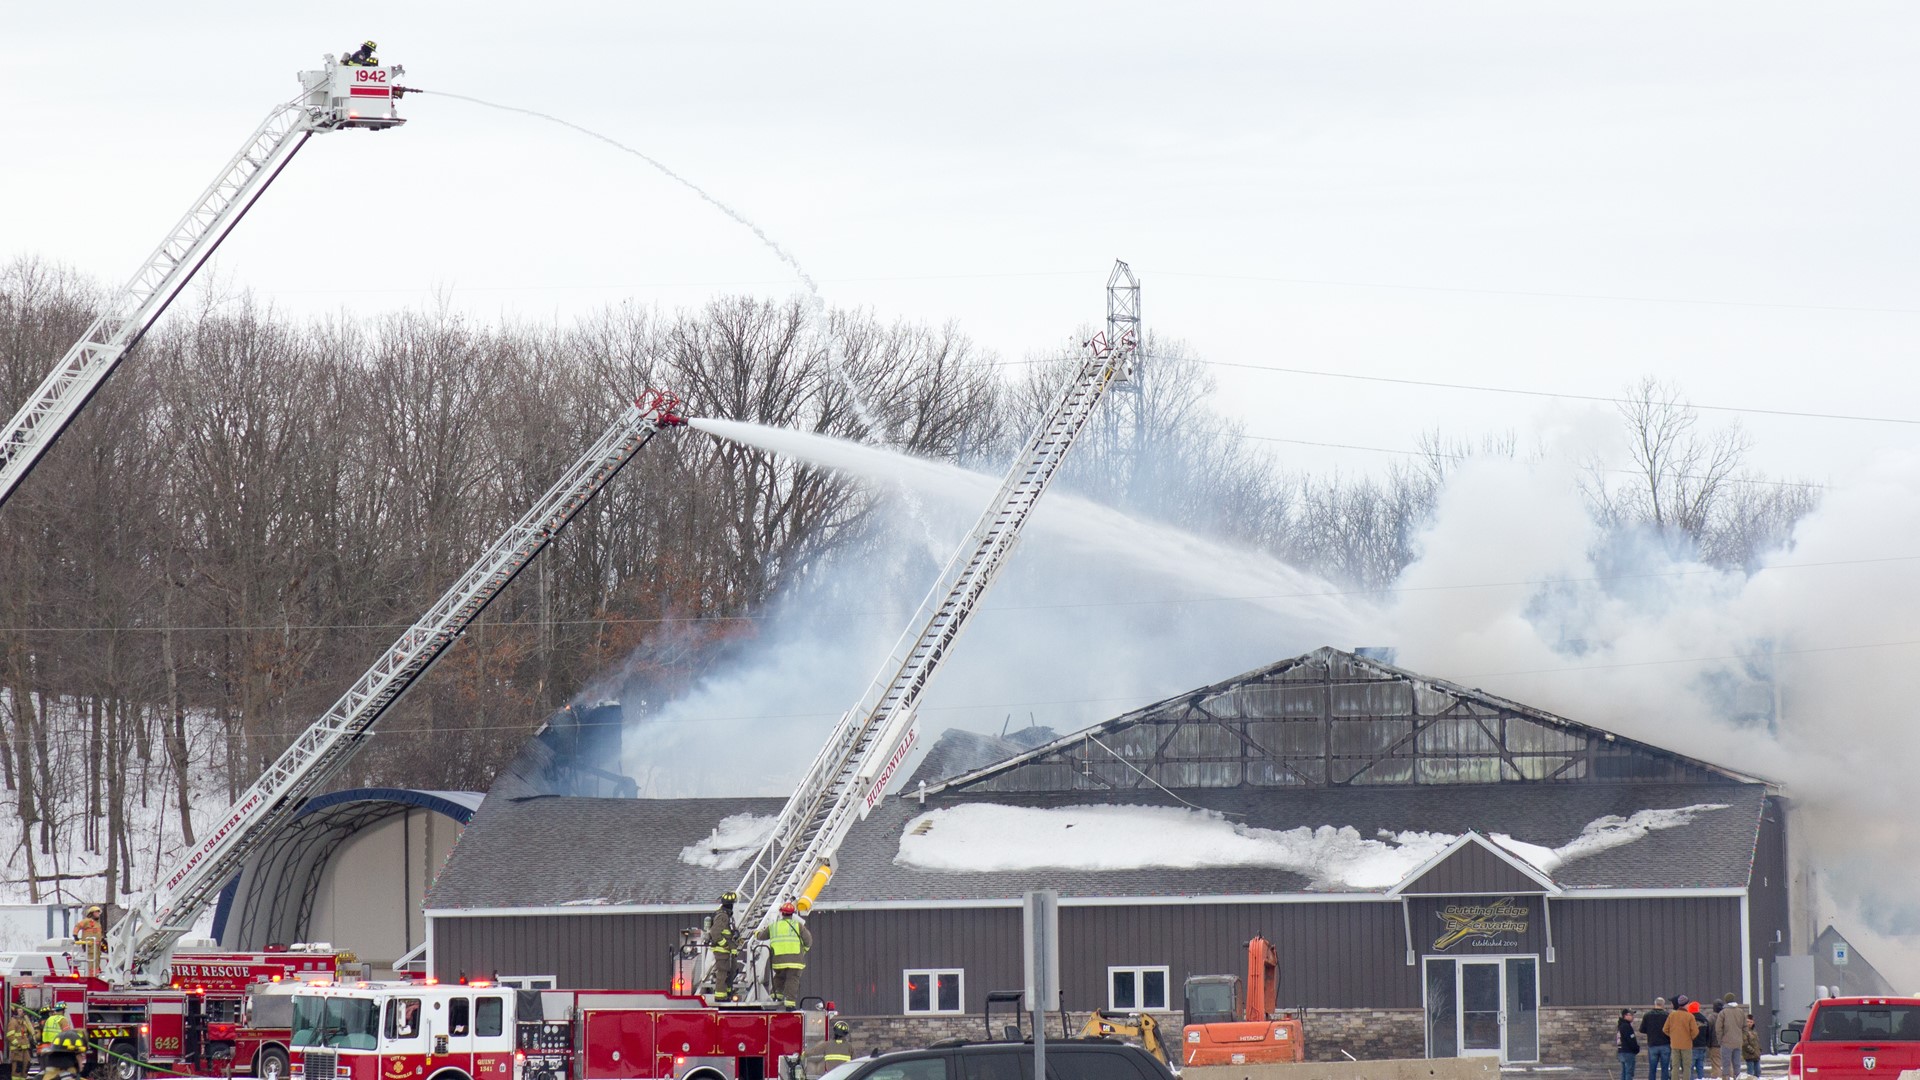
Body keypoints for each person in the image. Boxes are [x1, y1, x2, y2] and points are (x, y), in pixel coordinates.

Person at [756, 902, 812, 1007]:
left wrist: (756, 933)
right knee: (792, 979)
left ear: (781, 913)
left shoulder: (773, 926)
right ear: (793, 914)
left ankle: (776, 996)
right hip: (795, 960)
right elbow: (808, 940)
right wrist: (804, 950)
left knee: (779, 977)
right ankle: (789, 1004)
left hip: (778, 960)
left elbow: (761, 936)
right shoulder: (798, 926)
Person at [708, 891, 740, 1002]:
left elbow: (728, 931)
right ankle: (720, 996)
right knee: (722, 972)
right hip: (722, 950)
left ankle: (728, 992)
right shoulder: (722, 915)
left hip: (729, 951)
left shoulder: (727, 915)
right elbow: (715, 932)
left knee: (732, 971)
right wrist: (725, 944)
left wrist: (735, 933)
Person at [1714, 995, 1749, 1080]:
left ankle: (1726, 1078)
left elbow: (1718, 1028)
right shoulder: (1741, 1012)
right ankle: (1737, 1077)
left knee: (1726, 1065)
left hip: (1726, 1042)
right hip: (1738, 1042)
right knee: (1737, 1064)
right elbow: (1745, 1027)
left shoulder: (1723, 1012)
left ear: (1726, 1001)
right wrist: (1743, 1038)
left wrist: (1720, 1040)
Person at [1664, 996, 1699, 1080]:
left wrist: (1673, 1036)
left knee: (1675, 1067)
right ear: (1686, 1004)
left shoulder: (1672, 1015)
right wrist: (1689, 1038)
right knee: (1686, 1067)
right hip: (1686, 1045)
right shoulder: (1689, 1016)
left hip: (1675, 1045)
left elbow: (1665, 1029)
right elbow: (1695, 1031)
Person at [1642, 998, 1673, 1080]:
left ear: (1655, 1004)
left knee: (1652, 1069)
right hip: (1665, 1044)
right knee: (1665, 1068)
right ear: (1663, 1004)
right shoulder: (1667, 1015)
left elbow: (1642, 1029)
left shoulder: (1647, 1015)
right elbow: (1671, 1029)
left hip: (1652, 1044)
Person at [73, 906, 105, 975]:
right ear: (92, 913)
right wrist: (75, 935)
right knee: (92, 961)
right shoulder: (87, 921)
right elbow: (77, 926)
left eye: (99, 912)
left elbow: (98, 933)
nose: (98, 914)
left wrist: (102, 940)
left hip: (97, 945)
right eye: (97, 912)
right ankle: (92, 976)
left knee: (97, 961)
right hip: (90, 945)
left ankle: (96, 975)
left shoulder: (98, 923)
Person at [6, 1008, 36, 1080]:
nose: (22, 1012)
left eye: (22, 1011)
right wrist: (17, 1044)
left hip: (25, 1049)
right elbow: (10, 1036)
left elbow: (27, 1033)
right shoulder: (13, 1022)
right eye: (20, 1011)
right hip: (17, 1050)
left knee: (26, 1065)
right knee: (17, 1067)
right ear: (15, 1012)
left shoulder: (23, 1022)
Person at [1688, 1001, 1709, 1080]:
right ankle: (1701, 1078)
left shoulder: (1690, 1019)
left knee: (1690, 1067)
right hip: (1702, 1046)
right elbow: (1708, 1033)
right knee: (1700, 1066)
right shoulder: (1704, 1019)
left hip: (1693, 1046)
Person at [1618, 1009, 1642, 1080]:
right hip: (1628, 1052)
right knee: (1629, 1072)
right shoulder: (1626, 1026)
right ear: (1625, 1016)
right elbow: (1631, 1040)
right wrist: (1636, 1048)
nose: (1633, 1017)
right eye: (1631, 1015)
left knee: (1624, 1072)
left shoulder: (1620, 1026)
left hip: (1621, 1051)